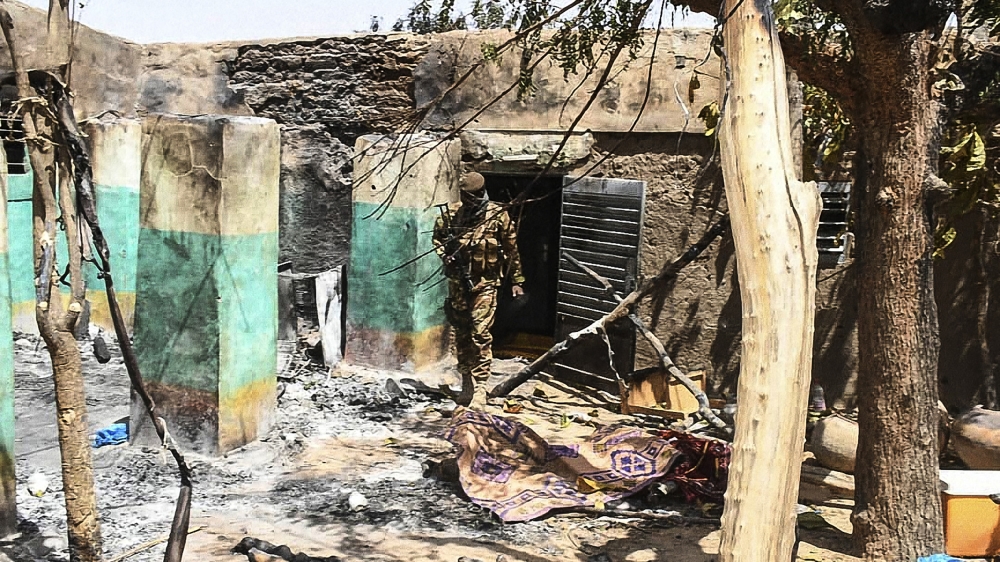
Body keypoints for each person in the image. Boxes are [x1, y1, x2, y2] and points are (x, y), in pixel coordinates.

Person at [433, 172, 525, 409]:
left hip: (486, 284)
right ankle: (467, 382)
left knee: (481, 333)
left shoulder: (497, 215)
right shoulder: (452, 215)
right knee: (462, 333)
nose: (475, 200)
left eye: (477, 195)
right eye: (469, 196)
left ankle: (481, 387)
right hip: (458, 284)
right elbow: (437, 239)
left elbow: (511, 248)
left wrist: (517, 280)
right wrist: (446, 256)